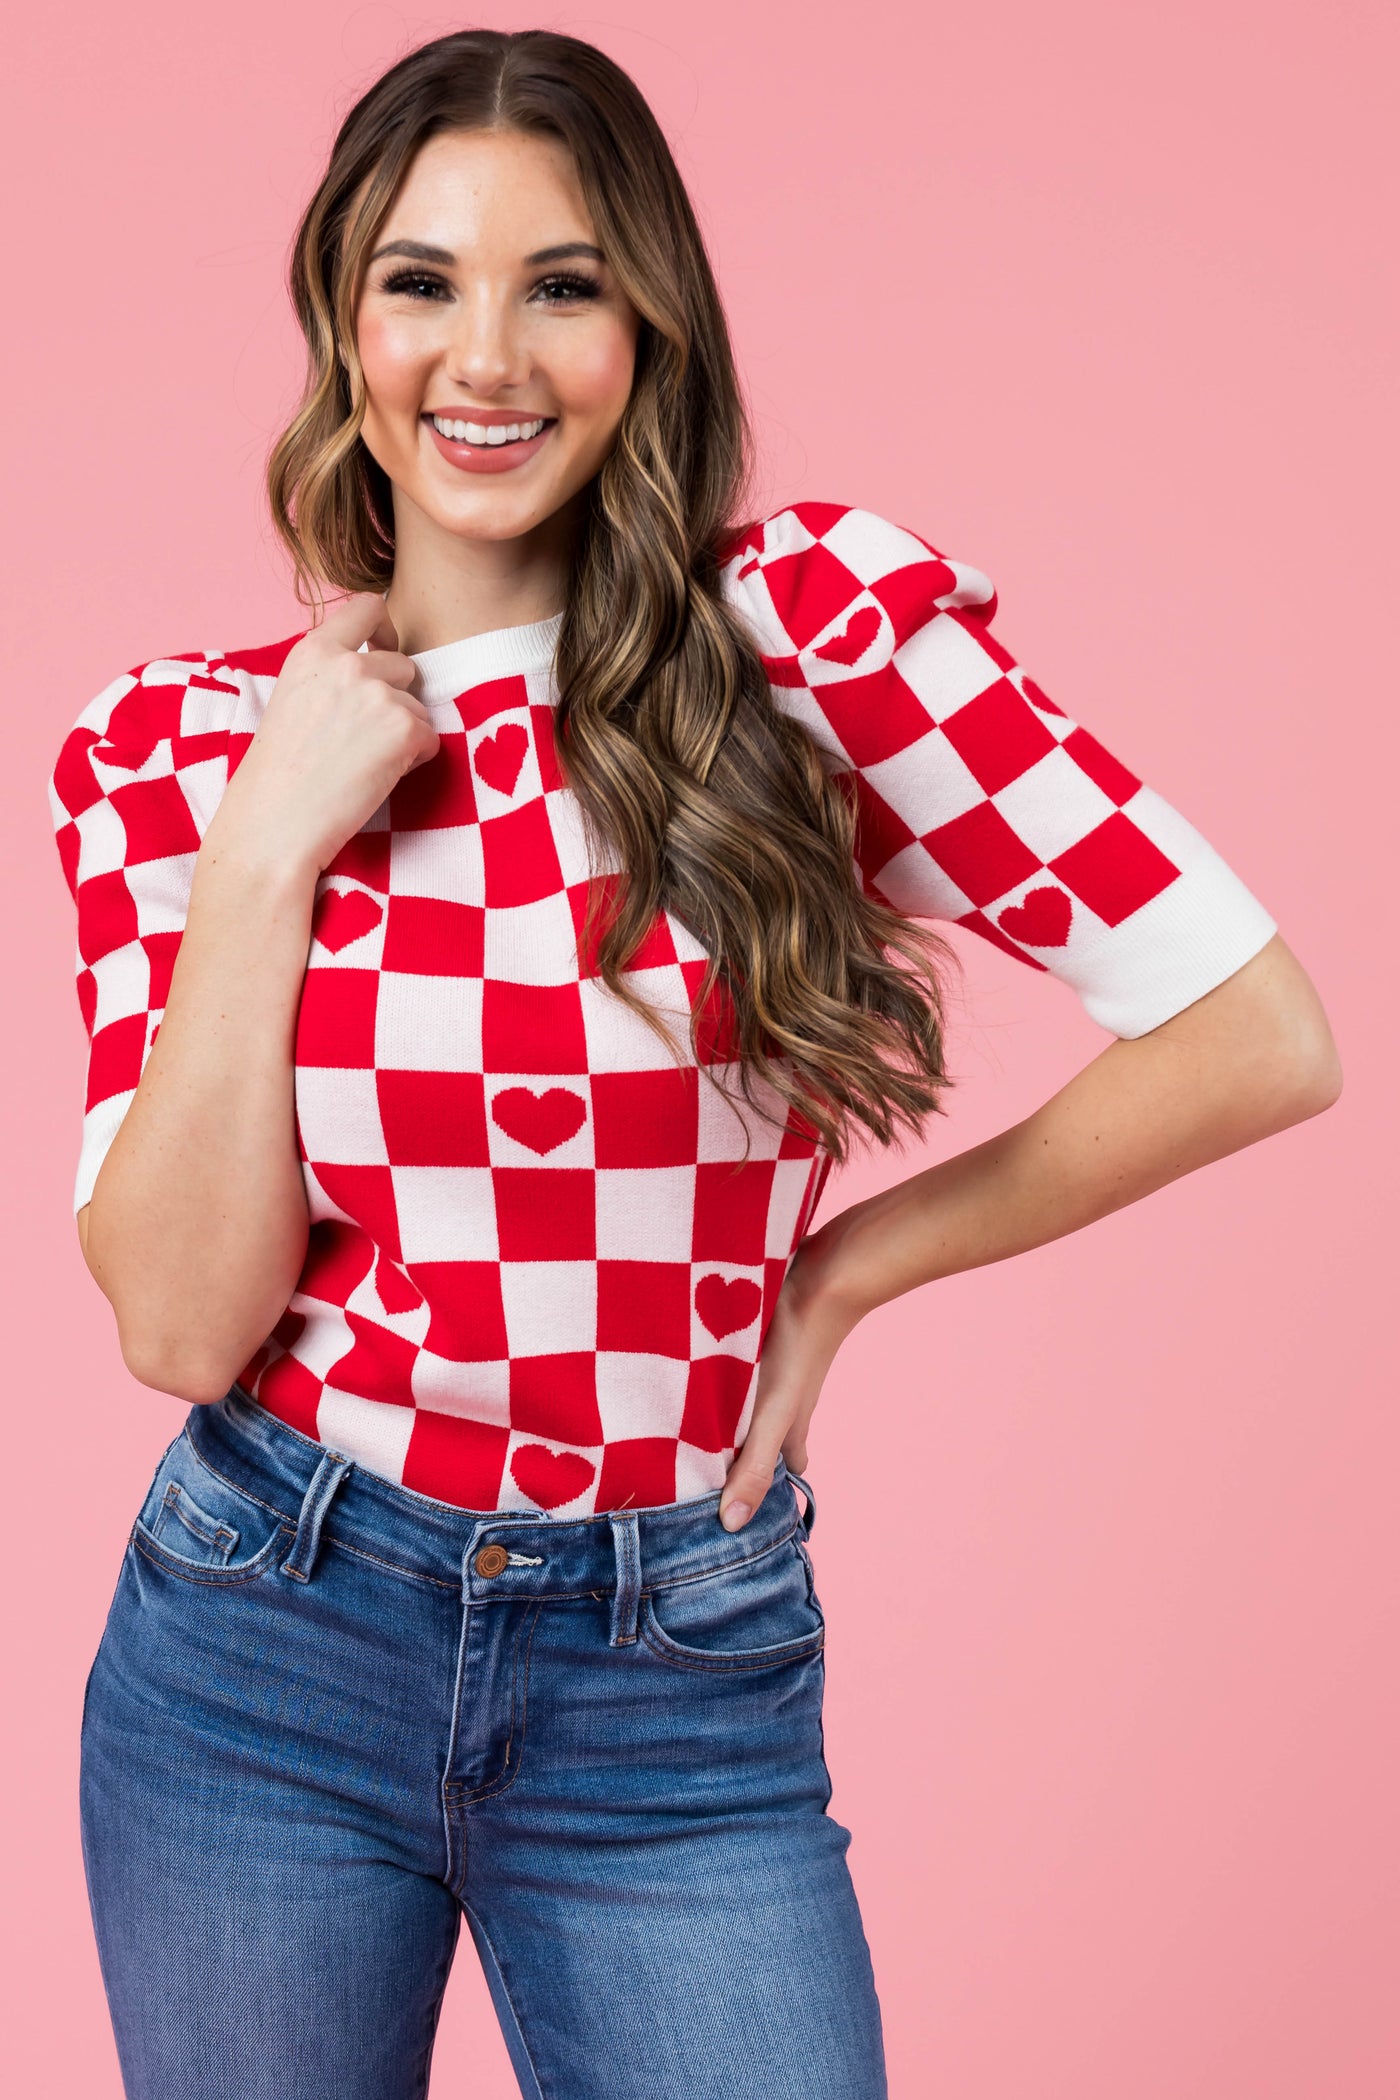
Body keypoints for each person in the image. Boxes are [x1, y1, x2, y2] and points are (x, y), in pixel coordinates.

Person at [46, 27, 1341, 2100]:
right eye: (421, 281)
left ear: (647, 327)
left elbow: (1253, 1029)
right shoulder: (174, 752)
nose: (487, 356)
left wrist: (841, 1274)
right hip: (262, 1643)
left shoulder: (809, 649)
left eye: (562, 284)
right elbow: (186, 1325)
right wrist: (272, 843)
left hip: (674, 1670)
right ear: (343, 328)